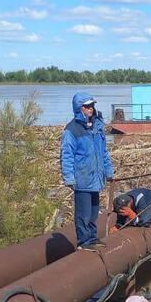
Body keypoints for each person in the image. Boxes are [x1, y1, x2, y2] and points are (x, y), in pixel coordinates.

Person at [61, 93, 115, 248]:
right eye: (86, 106)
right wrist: (69, 178)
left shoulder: (97, 126)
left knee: (93, 212)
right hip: (82, 178)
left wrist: (109, 171)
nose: (90, 109)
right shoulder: (72, 130)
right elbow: (67, 155)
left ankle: (92, 238)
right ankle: (84, 242)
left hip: (96, 178)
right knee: (83, 214)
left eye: (91, 105)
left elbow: (103, 152)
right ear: (79, 108)